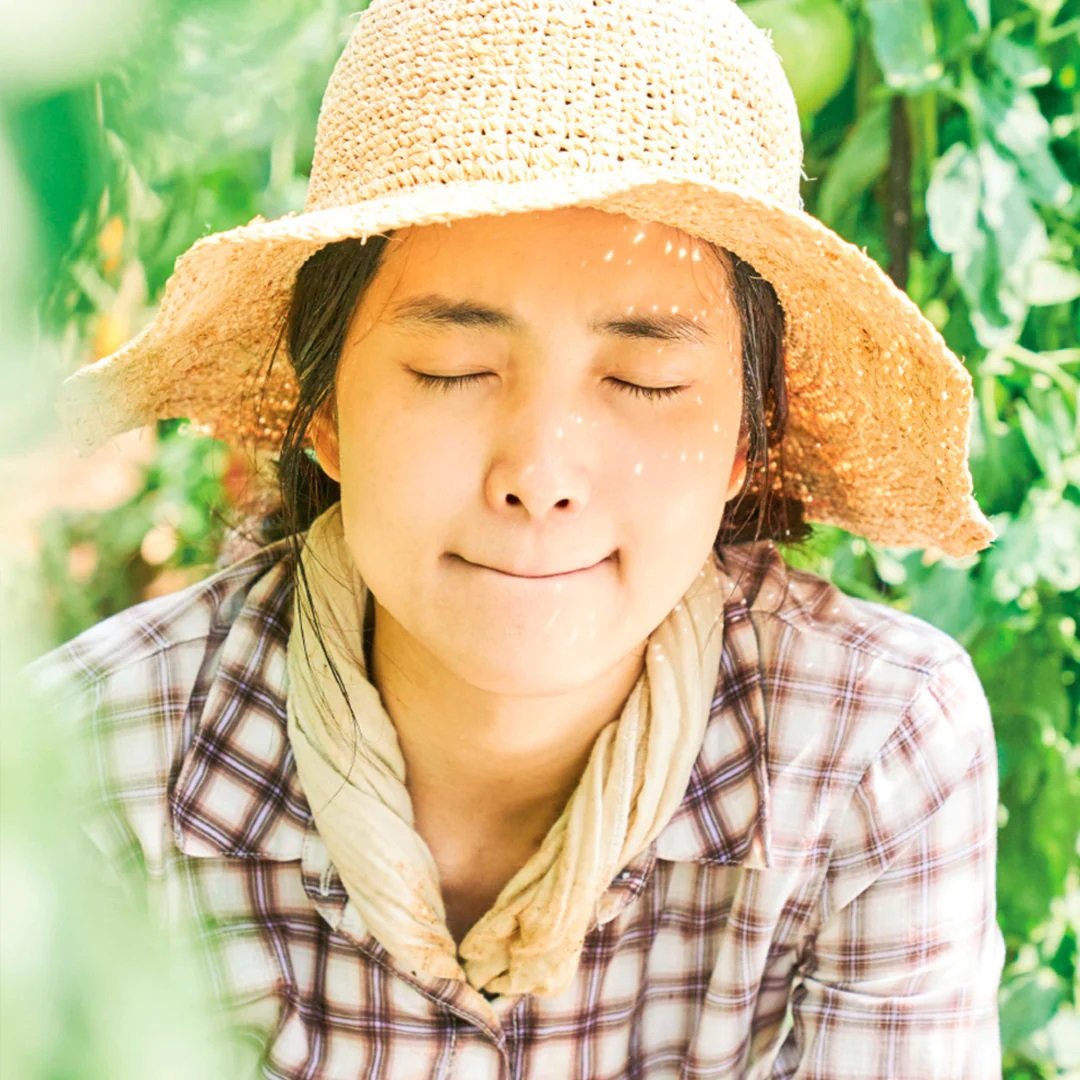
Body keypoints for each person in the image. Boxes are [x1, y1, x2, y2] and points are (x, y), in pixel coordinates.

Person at [31, 0, 1006, 1076]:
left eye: (646, 380)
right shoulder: (82, 771)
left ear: (746, 437)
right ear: (326, 412)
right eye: (452, 371)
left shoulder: (870, 750)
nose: (539, 476)